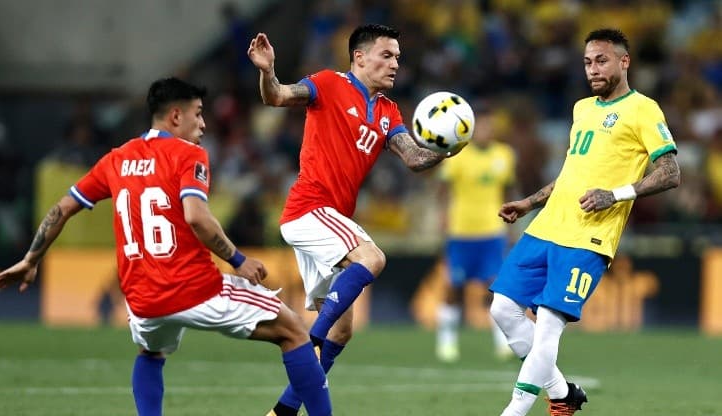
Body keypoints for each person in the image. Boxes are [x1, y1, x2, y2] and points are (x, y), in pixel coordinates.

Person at [0, 77, 332, 416]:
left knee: (151, 354)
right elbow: (196, 217)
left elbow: (63, 208)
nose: (203, 123)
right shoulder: (189, 155)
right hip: (196, 288)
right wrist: (238, 259)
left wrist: (31, 259)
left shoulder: (117, 159)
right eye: (198, 113)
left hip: (143, 299)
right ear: (175, 116)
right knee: (293, 331)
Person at [247, 24, 465, 416]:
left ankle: (283, 411)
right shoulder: (328, 84)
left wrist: (447, 147)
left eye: (398, 57)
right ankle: (310, 343)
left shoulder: (387, 111)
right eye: (387, 55)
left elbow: (414, 158)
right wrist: (267, 71)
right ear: (359, 57)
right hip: (309, 208)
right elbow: (277, 96)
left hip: (331, 220)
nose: (395, 64)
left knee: (343, 330)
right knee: (373, 258)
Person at [489, 28, 680, 416]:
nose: (593, 69)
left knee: (548, 323)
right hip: (546, 227)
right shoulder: (582, 109)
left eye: (602, 61)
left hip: (589, 236)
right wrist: (530, 202)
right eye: (588, 62)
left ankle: (515, 411)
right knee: (502, 309)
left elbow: (670, 172)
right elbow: (571, 173)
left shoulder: (643, 109)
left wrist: (615, 194)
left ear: (624, 61)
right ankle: (562, 393)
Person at [435, 104, 516, 363]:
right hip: (461, 232)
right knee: (453, 287)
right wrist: (443, 218)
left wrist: (511, 226)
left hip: (492, 231)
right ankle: (446, 342)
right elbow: (443, 189)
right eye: (480, 126)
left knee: (495, 288)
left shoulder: (504, 155)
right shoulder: (457, 155)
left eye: (488, 126)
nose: (484, 130)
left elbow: (508, 191)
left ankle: (502, 342)